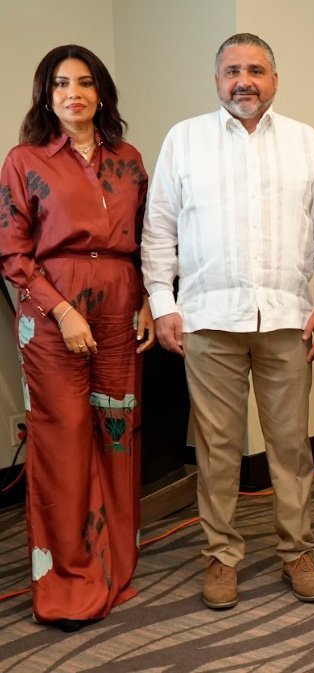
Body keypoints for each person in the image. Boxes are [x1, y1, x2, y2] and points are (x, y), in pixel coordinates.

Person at [141, 33, 314, 610]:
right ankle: (221, 556)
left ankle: (296, 550)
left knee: (289, 447)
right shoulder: (185, 140)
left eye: (255, 70)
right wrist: (163, 303)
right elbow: (160, 229)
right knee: (218, 448)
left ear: (274, 80)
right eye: (231, 70)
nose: (243, 81)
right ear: (216, 79)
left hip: (286, 319)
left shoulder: (306, 144)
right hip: (208, 320)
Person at [0, 45, 154, 631]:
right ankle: (67, 573)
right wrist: (62, 311)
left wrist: (143, 301)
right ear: (46, 94)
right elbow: (12, 253)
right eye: (61, 84)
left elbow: (147, 238)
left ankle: (115, 558)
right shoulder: (24, 159)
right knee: (62, 438)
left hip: (120, 302)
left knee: (119, 429)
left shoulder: (130, 159)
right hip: (51, 310)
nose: (74, 93)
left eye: (85, 83)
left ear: (101, 93)